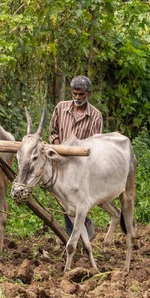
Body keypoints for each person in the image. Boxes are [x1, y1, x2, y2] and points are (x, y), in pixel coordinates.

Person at [48, 75, 103, 241]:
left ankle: (76, 232)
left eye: (82, 95)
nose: (78, 98)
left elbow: (96, 143)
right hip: (60, 160)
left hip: (82, 165)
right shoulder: (60, 108)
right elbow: (53, 132)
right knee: (64, 199)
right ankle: (78, 230)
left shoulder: (95, 115)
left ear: (89, 94)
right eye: (75, 94)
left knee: (74, 200)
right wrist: (59, 149)